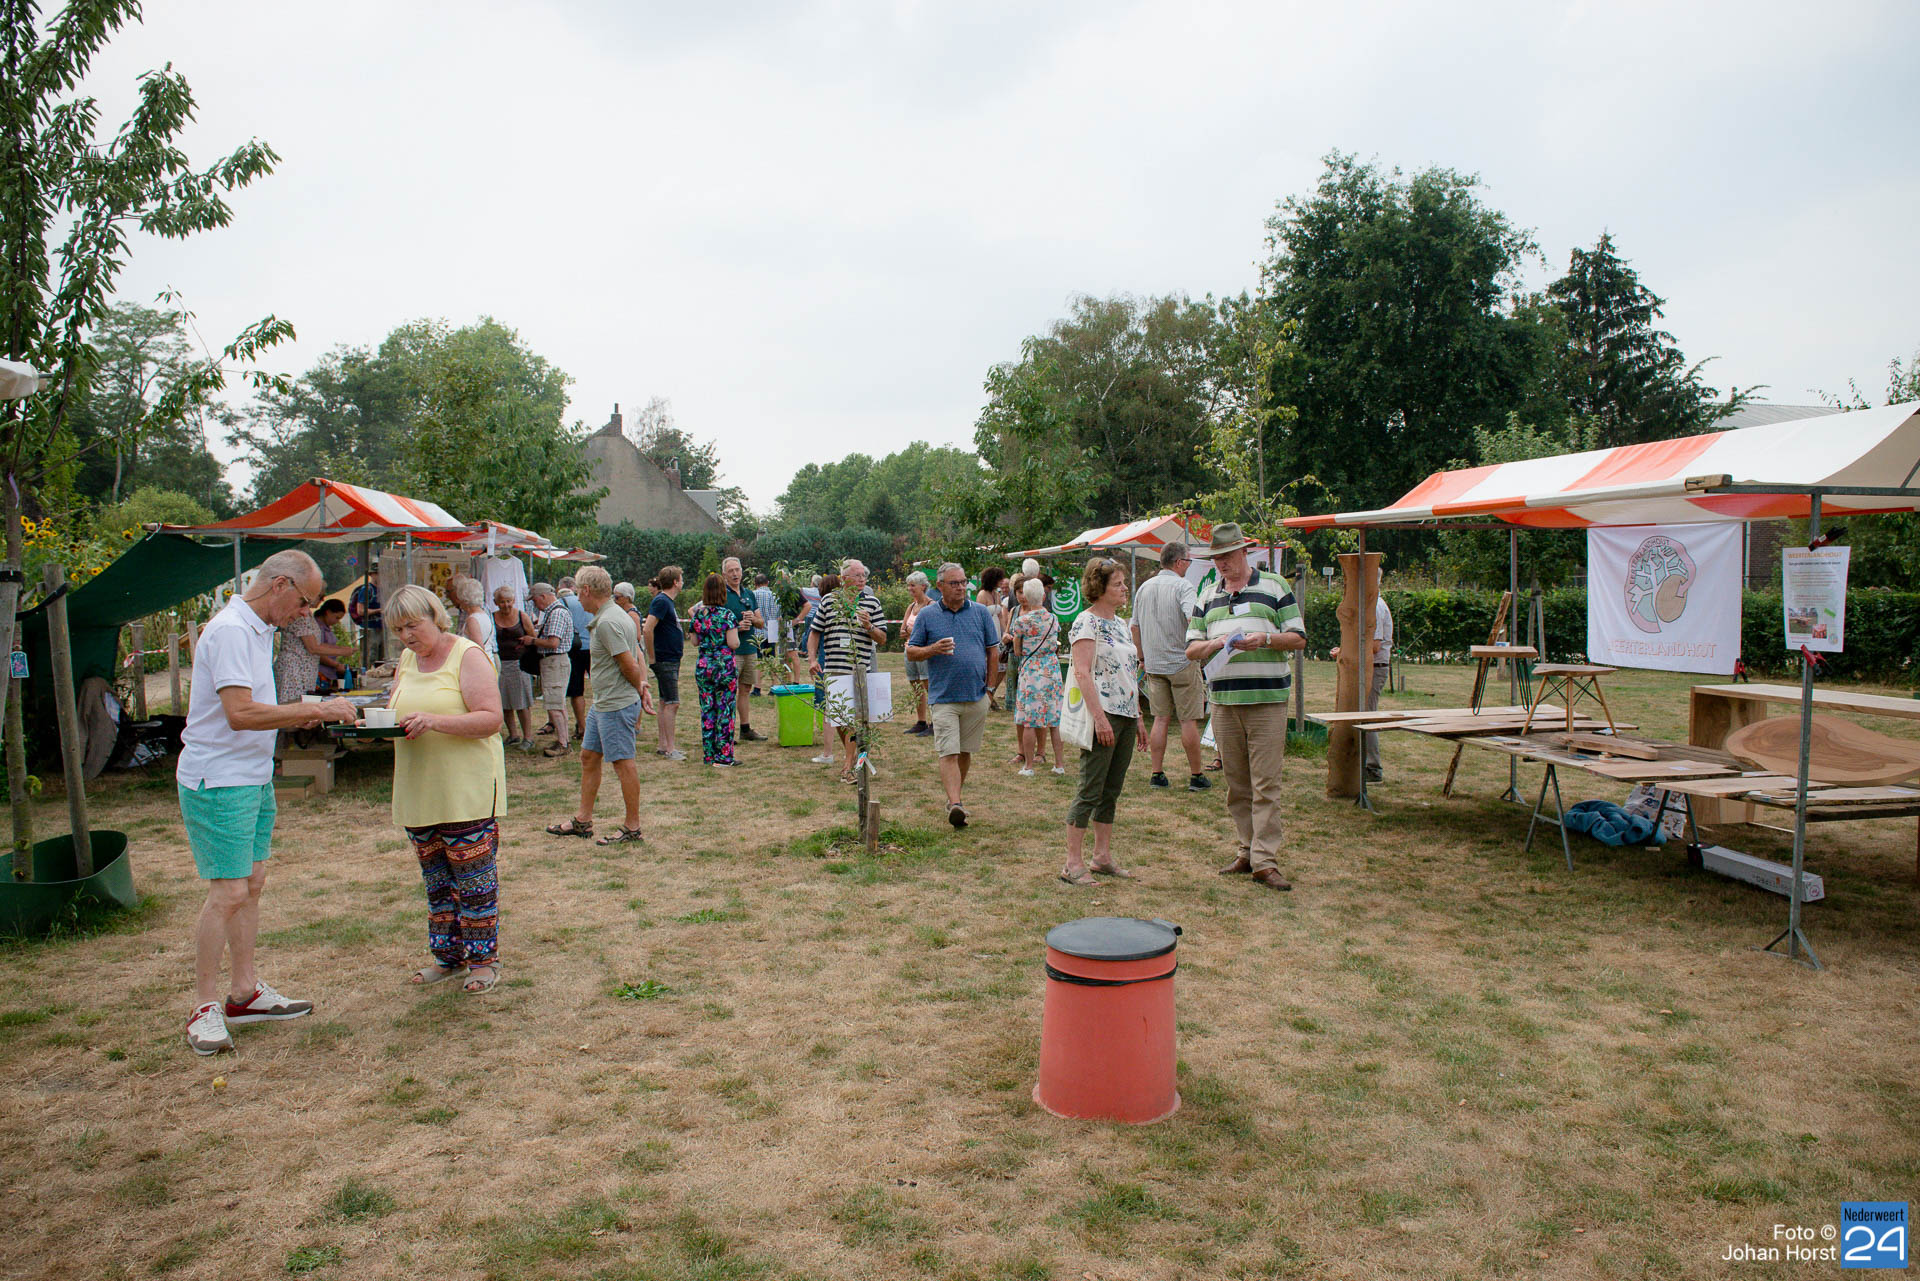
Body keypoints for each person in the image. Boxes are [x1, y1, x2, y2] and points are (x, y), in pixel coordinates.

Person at [178, 550, 358, 1055]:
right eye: (304, 602)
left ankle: (244, 992)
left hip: (251, 776)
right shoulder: (232, 630)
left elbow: (255, 707)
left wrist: (298, 713)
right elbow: (239, 713)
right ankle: (204, 1006)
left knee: (251, 884)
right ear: (279, 584)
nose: (306, 613)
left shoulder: (258, 630)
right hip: (220, 780)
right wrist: (308, 710)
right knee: (229, 892)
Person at [384, 585, 508, 994]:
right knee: (436, 882)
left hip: (465, 789)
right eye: (398, 629)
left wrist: (435, 721)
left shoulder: (466, 655)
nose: (406, 636)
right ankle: (448, 958)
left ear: (436, 617)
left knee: (474, 882)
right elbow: (398, 711)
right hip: (419, 788)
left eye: (412, 625)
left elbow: (491, 719)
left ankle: (483, 962)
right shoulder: (407, 660)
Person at [1184, 522, 1307, 892]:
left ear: (1244, 552)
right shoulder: (1207, 595)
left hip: (1267, 700)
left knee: (1265, 783)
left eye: (1227, 556)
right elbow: (1191, 648)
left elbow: (1298, 638)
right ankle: (1246, 850)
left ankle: (1265, 861)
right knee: (1236, 783)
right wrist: (1215, 643)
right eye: (1216, 558)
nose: (1222, 563)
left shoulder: (1275, 586)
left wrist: (1265, 639)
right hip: (1224, 703)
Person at [546, 566, 655, 843]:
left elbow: (628, 663)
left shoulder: (608, 621)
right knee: (589, 757)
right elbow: (635, 655)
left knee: (623, 763)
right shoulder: (612, 616)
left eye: (578, 592)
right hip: (603, 702)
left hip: (615, 704)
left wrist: (639, 688)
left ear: (586, 590)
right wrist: (641, 686)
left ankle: (632, 827)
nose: (576, 599)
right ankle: (583, 820)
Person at [1059, 558, 1142, 885]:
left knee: (1111, 790)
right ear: (1100, 587)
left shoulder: (1121, 624)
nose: (1124, 589)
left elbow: (1129, 672)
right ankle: (1072, 863)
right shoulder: (1086, 622)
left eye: (1124, 583)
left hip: (1126, 715)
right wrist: (1100, 719)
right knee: (1090, 789)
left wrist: (1138, 717)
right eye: (1118, 584)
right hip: (1103, 715)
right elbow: (1082, 672)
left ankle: (1101, 857)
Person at [905, 562, 999, 828]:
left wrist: (990, 690)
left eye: (963, 582)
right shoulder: (927, 615)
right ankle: (956, 803)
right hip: (943, 697)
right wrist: (933, 649)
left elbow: (993, 651)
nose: (960, 587)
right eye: (954, 583)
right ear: (940, 586)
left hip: (976, 696)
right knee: (948, 751)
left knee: (965, 751)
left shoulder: (980, 612)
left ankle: (954, 799)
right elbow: (911, 651)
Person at [1131, 540, 1210, 793]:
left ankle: (1157, 774)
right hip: (1182, 661)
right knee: (1188, 720)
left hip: (1154, 664)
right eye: (1188, 561)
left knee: (1160, 719)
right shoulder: (1183, 586)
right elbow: (1193, 619)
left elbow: (1134, 626)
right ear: (1179, 562)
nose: (1189, 566)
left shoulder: (1144, 588)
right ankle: (1196, 775)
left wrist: (1142, 657)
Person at [810, 562, 888, 782]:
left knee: (857, 719)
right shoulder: (829, 601)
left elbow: (883, 638)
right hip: (834, 669)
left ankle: (849, 765)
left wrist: (869, 626)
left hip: (860, 671)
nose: (862, 579)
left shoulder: (872, 602)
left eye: (864, 575)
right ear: (843, 579)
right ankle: (854, 758)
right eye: (857, 575)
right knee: (840, 718)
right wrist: (812, 658)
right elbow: (815, 632)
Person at [1331, 592, 1394, 783]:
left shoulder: (1375, 607)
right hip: (1367, 667)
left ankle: (1373, 768)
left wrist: (1344, 651)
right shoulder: (1368, 605)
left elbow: (1374, 646)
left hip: (1374, 668)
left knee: (1367, 717)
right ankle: (1360, 763)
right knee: (1361, 715)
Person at [1009, 576, 1066, 776]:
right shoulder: (1053, 619)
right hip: (1052, 669)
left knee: (1029, 720)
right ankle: (1059, 764)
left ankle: (1028, 766)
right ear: (1043, 596)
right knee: (1054, 720)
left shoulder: (1022, 622)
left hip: (1031, 670)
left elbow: (1017, 650)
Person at [688, 573, 742, 766]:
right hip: (724, 667)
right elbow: (733, 643)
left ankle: (709, 754)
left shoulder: (698, 614)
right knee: (725, 710)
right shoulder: (727, 615)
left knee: (708, 710)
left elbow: (694, 641)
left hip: (704, 666)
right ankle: (724, 755)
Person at [721, 557, 767, 741]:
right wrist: (735, 628)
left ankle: (745, 728)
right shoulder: (721, 595)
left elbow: (761, 622)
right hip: (731, 651)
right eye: (731, 571)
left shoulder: (749, 594)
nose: (735, 574)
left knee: (746, 688)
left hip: (750, 649)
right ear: (724, 574)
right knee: (728, 691)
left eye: (737, 570)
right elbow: (713, 622)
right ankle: (726, 731)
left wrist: (752, 619)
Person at [275, 598, 355, 704]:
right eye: (320, 596)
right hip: (294, 672)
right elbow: (313, 648)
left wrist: (343, 649)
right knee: (292, 705)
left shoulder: (308, 616)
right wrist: (342, 653)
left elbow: (317, 645)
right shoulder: (301, 615)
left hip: (304, 673)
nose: (322, 599)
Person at [643, 567, 686, 760]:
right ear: (675, 582)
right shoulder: (661, 601)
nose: (682, 582)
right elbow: (647, 629)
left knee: (664, 702)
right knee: (672, 703)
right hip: (665, 659)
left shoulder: (666, 601)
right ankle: (670, 748)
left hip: (671, 658)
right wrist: (652, 657)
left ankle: (663, 745)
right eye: (681, 579)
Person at [528, 582, 575, 756]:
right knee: (558, 705)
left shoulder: (556, 613)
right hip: (555, 662)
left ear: (543, 596)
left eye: (535, 600)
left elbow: (553, 642)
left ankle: (563, 744)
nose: (535, 604)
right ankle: (564, 740)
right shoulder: (556, 611)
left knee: (555, 705)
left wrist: (532, 640)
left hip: (554, 661)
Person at [491, 586, 537, 749]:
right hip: (500, 664)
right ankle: (513, 734)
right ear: (496, 602)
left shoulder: (521, 616)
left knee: (521, 702)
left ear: (514, 601)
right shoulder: (492, 617)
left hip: (519, 664)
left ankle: (528, 737)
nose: (506, 605)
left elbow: (533, 636)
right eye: (502, 602)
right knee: (504, 702)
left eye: (509, 601)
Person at [557, 576, 593, 743]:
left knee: (577, 691)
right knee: (600, 688)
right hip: (593, 646)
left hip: (575, 648)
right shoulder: (589, 600)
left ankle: (582, 726)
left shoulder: (562, 603)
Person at [899, 571, 933, 737]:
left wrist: (912, 632)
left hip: (924, 651)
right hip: (909, 650)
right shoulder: (911, 606)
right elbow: (902, 630)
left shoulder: (931, 606)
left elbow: (930, 632)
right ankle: (921, 722)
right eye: (909, 585)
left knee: (929, 686)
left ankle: (935, 722)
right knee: (916, 685)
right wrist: (910, 631)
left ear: (923, 586)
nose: (910, 589)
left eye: (913, 585)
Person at [975, 567, 1008, 710]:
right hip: (986, 632)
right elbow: (979, 617)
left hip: (997, 631)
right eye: (999, 580)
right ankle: (984, 695)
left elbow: (1000, 615)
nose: (1001, 582)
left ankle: (991, 693)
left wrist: (1005, 632)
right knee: (987, 665)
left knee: (1002, 665)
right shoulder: (982, 595)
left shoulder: (997, 594)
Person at [752, 572, 780, 693]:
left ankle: (757, 688)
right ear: (767, 583)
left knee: (758, 660)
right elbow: (779, 615)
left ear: (755, 584)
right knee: (772, 659)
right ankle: (774, 686)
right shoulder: (775, 596)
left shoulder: (753, 595)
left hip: (758, 631)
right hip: (772, 630)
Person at [349, 577, 383, 664]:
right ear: (372, 574)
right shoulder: (367, 590)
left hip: (382, 628)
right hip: (370, 629)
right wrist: (378, 610)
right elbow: (360, 611)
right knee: (370, 658)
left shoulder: (382, 589)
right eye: (377, 573)